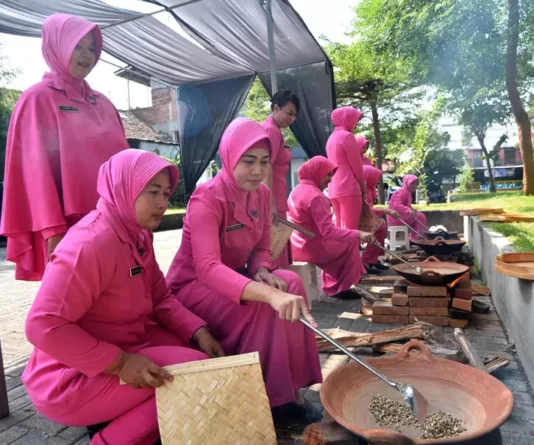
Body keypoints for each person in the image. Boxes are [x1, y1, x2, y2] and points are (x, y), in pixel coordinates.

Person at [22, 150, 222, 445]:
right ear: (122, 187)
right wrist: (120, 363)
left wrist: (199, 331)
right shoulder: (90, 244)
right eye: (153, 192)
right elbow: (41, 325)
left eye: (166, 193)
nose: (162, 203)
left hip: (120, 347)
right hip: (68, 377)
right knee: (192, 375)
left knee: (199, 356)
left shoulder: (137, 235)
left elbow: (160, 297)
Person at [166, 118, 322, 419]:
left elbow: (262, 248)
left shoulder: (262, 196)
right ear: (229, 157)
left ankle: (292, 384)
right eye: (248, 161)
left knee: (289, 283)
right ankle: (271, 399)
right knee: (264, 304)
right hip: (193, 287)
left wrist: (263, 270)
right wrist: (266, 293)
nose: (257, 170)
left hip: (236, 279)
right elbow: (208, 267)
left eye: (264, 162)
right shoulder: (206, 198)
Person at [0, 13, 129, 281]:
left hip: (117, 222)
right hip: (68, 228)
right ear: (56, 46)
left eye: (92, 48)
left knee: (119, 298)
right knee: (75, 302)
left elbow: (127, 166)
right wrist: (53, 232)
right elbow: (34, 175)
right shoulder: (36, 99)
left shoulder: (104, 103)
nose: (86, 56)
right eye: (77, 46)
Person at [288, 156, 375, 297]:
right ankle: (343, 288)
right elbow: (328, 231)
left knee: (347, 238)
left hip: (296, 247)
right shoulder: (316, 197)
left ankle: (337, 283)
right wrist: (358, 233)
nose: (330, 180)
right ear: (317, 172)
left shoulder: (296, 190)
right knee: (351, 241)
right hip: (314, 248)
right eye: (328, 175)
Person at [261, 90, 300, 267]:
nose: (292, 119)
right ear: (276, 108)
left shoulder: (274, 130)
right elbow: (266, 166)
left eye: (295, 115)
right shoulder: (271, 130)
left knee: (277, 244)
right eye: (289, 113)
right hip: (274, 195)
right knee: (276, 245)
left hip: (276, 193)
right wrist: (271, 203)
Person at [325, 106, 365, 230]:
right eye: (355, 119)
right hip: (349, 187)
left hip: (333, 188)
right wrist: (362, 185)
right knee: (351, 231)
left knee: (340, 230)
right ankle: (352, 250)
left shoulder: (331, 138)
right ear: (347, 118)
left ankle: (341, 250)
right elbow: (357, 166)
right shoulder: (347, 136)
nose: (357, 123)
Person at [361, 165, 402, 272]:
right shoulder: (362, 189)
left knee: (382, 226)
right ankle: (366, 261)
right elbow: (365, 209)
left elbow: (369, 208)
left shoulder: (369, 189)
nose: (377, 181)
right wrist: (387, 210)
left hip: (365, 216)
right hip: (358, 218)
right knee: (379, 227)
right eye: (374, 177)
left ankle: (373, 259)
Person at [387, 174, 428, 241]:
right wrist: (408, 210)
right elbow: (396, 204)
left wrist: (412, 210)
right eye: (412, 183)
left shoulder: (407, 192)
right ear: (407, 183)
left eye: (416, 184)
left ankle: (416, 238)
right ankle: (416, 239)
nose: (414, 186)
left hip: (399, 216)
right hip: (395, 217)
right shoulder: (401, 192)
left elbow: (406, 205)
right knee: (420, 217)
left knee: (419, 215)